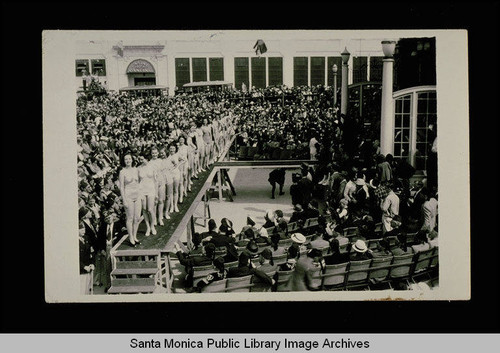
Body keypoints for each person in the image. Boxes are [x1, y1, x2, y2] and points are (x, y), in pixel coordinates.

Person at [118, 153, 142, 247]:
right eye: (126, 159)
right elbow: (121, 187)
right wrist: (124, 200)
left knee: (137, 218)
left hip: (137, 195)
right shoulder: (122, 172)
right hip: (128, 197)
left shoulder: (136, 170)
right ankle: (130, 237)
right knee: (130, 218)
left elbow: (139, 183)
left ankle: (135, 236)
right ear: (124, 161)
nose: (128, 161)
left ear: (132, 159)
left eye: (129, 159)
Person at [138, 151, 157, 236]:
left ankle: (152, 226)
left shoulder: (152, 167)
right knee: (144, 210)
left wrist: (156, 193)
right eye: (140, 159)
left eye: (142, 159)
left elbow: (156, 181)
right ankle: (148, 227)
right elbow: (138, 181)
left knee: (150, 209)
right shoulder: (139, 168)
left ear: (146, 159)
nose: (141, 160)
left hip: (151, 189)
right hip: (142, 190)